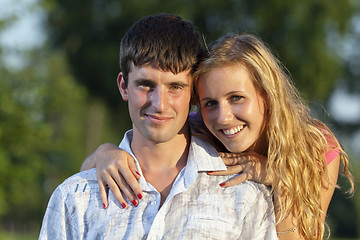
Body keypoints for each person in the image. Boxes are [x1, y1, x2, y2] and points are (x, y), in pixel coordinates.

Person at [81, 33, 354, 239]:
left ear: (268, 96)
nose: (223, 117)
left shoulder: (314, 147)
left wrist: (278, 177)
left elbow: (304, 236)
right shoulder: (197, 125)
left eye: (236, 98)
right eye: (210, 102)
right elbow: (85, 176)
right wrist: (105, 152)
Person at [39, 14, 277, 239]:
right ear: (123, 86)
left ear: (193, 92)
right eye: (145, 85)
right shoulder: (75, 197)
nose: (160, 104)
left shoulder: (246, 196)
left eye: (175, 87)